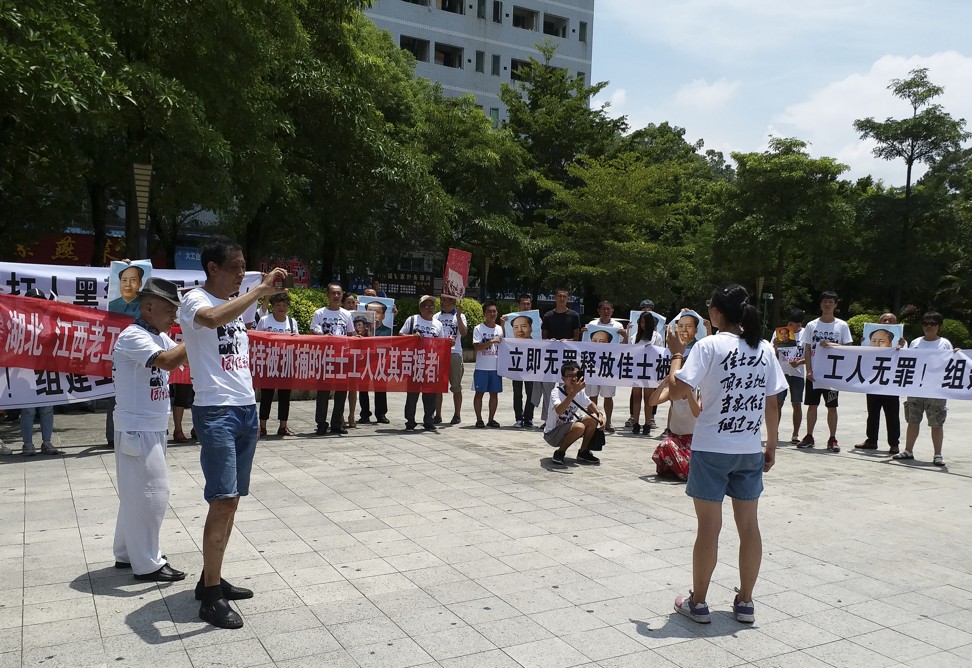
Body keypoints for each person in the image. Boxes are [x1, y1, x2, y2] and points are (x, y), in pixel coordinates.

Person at [179, 236, 287, 629]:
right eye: (236, 267)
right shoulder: (195, 299)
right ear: (213, 269)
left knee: (233, 499)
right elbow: (209, 321)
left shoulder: (238, 308)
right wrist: (259, 288)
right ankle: (210, 597)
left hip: (245, 409)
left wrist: (262, 289)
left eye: (245, 268)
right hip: (216, 412)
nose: (242, 274)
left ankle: (212, 577)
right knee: (222, 500)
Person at [666, 284, 786, 626]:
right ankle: (746, 602)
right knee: (749, 527)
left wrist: (677, 353)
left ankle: (699, 602)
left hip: (711, 448)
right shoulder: (764, 348)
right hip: (748, 448)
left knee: (709, 528)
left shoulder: (708, 346)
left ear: (717, 313)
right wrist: (772, 444)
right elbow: (772, 402)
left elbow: (677, 389)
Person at [111, 278, 189, 582]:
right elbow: (170, 362)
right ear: (149, 307)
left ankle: (126, 553)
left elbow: (182, 357)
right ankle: (148, 564)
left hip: (150, 426)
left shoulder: (157, 336)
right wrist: (197, 335)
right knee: (152, 494)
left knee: (134, 494)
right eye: (169, 310)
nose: (174, 316)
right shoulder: (133, 336)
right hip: (137, 428)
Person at [894, 312, 953, 466]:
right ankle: (908, 450)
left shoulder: (945, 344)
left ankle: (938, 454)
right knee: (912, 420)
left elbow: (951, 363)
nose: (928, 326)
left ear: (939, 326)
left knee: (936, 422)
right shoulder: (915, 342)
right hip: (916, 387)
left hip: (935, 389)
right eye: (926, 323)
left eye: (932, 323)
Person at [798, 291, 852, 452]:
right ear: (820, 304)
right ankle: (809, 436)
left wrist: (832, 345)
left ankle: (832, 438)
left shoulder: (842, 326)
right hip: (814, 374)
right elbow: (807, 349)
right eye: (825, 302)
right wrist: (808, 369)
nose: (827, 304)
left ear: (836, 304)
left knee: (832, 407)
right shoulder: (812, 325)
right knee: (812, 405)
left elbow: (849, 348)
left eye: (831, 302)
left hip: (832, 376)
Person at [19, 288, 63, 455]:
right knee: (28, 409)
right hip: (26, 370)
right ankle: (27, 444)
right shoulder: (18, 319)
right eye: (34, 299)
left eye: (40, 299)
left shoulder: (48, 319)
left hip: (46, 368)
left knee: (47, 408)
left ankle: (46, 442)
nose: (38, 303)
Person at [310, 283, 354, 436]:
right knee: (323, 392)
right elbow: (313, 329)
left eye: (338, 293)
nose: (336, 296)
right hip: (324, 357)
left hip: (342, 358)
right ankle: (321, 423)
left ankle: (337, 423)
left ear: (341, 296)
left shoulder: (347, 315)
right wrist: (322, 335)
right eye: (333, 293)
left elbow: (351, 334)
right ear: (327, 295)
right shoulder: (319, 313)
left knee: (341, 392)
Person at [544, 361, 605, 466]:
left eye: (576, 375)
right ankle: (560, 452)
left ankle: (583, 452)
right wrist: (573, 392)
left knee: (592, 420)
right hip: (552, 433)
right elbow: (559, 410)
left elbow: (590, 404)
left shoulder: (579, 392)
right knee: (580, 427)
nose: (573, 379)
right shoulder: (556, 392)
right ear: (563, 379)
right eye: (569, 376)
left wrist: (600, 415)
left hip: (568, 427)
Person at [856, 312, 901, 453]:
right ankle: (871, 440)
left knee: (892, 414)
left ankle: (894, 443)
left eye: (891, 320)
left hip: (891, 383)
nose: (887, 322)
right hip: (873, 380)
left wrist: (903, 347)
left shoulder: (902, 342)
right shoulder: (871, 339)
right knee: (872, 413)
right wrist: (863, 344)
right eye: (884, 320)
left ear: (896, 323)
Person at [400, 295, 447, 432]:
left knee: (430, 394)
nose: (430, 308)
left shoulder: (438, 324)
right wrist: (412, 337)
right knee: (412, 394)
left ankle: (429, 420)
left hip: (430, 363)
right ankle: (410, 421)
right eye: (426, 305)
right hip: (415, 362)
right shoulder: (413, 320)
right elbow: (401, 335)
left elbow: (441, 343)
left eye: (432, 305)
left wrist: (449, 344)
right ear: (420, 308)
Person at [255, 293, 299, 437]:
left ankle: (283, 426)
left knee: (285, 396)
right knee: (266, 395)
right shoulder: (264, 320)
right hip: (269, 363)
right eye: (278, 305)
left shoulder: (292, 322)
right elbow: (256, 339)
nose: (281, 308)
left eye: (284, 305)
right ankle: (262, 426)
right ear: (272, 307)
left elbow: (298, 342)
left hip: (286, 363)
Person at [584, 301, 626, 433]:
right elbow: (584, 344)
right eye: (603, 309)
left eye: (608, 309)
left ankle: (608, 421)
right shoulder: (592, 325)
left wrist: (624, 335)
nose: (606, 311)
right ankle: (593, 419)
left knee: (608, 396)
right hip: (592, 364)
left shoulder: (618, 326)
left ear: (612, 311)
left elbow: (624, 347)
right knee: (592, 395)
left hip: (609, 365)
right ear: (599, 311)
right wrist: (584, 333)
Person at [539, 288, 581, 423]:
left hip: (567, 358)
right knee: (548, 390)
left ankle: (566, 417)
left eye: (564, 296)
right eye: (559, 296)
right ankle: (547, 419)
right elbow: (543, 337)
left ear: (568, 298)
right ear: (555, 298)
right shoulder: (548, 316)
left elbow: (577, 337)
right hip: (550, 358)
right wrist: (549, 341)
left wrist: (568, 341)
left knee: (567, 388)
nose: (562, 299)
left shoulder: (574, 315)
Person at [500, 294, 537, 428]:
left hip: (532, 362)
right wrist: (503, 324)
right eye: (523, 303)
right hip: (516, 361)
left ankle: (529, 417)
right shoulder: (511, 319)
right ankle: (518, 418)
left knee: (531, 392)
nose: (526, 306)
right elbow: (504, 338)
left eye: (528, 303)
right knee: (517, 392)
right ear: (519, 305)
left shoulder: (537, 321)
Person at [627, 300, 663, 432]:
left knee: (649, 397)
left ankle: (647, 423)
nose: (643, 325)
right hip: (637, 369)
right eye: (641, 322)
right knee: (637, 397)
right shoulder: (635, 336)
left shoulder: (656, 336)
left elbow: (660, 352)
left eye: (645, 322)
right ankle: (635, 422)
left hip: (650, 369)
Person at [773, 309, 805, 445]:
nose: (792, 328)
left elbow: (811, 355)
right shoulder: (780, 332)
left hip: (797, 373)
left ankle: (795, 433)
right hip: (781, 372)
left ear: (801, 324)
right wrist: (775, 345)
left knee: (796, 403)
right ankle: (775, 432)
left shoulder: (806, 334)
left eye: (796, 325)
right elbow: (772, 354)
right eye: (790, 324)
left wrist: (800, 362)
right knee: (778, 403)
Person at [434, 295, 467, 425]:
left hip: (455, 353)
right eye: (441, 301)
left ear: (453, 302)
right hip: (439, 353)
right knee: (438, 387)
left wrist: (458, 316)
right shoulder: (436, 316)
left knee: (456, 386)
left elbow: (464, 333)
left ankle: (457, 414)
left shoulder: (460, 316)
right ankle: (437, 414)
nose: (442, 303)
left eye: (445, 301)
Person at [472, 301, 504, 428]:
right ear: (484, 313)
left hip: (496, 367)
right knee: (479, 393)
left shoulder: (500, 329)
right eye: (489, 311)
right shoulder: (478, 328)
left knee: (494, 394)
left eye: (494, 311)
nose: (492, 313)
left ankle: (491, 419)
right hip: (482, 367)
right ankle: (479, 419)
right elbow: (477, 347)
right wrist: (491, 341)